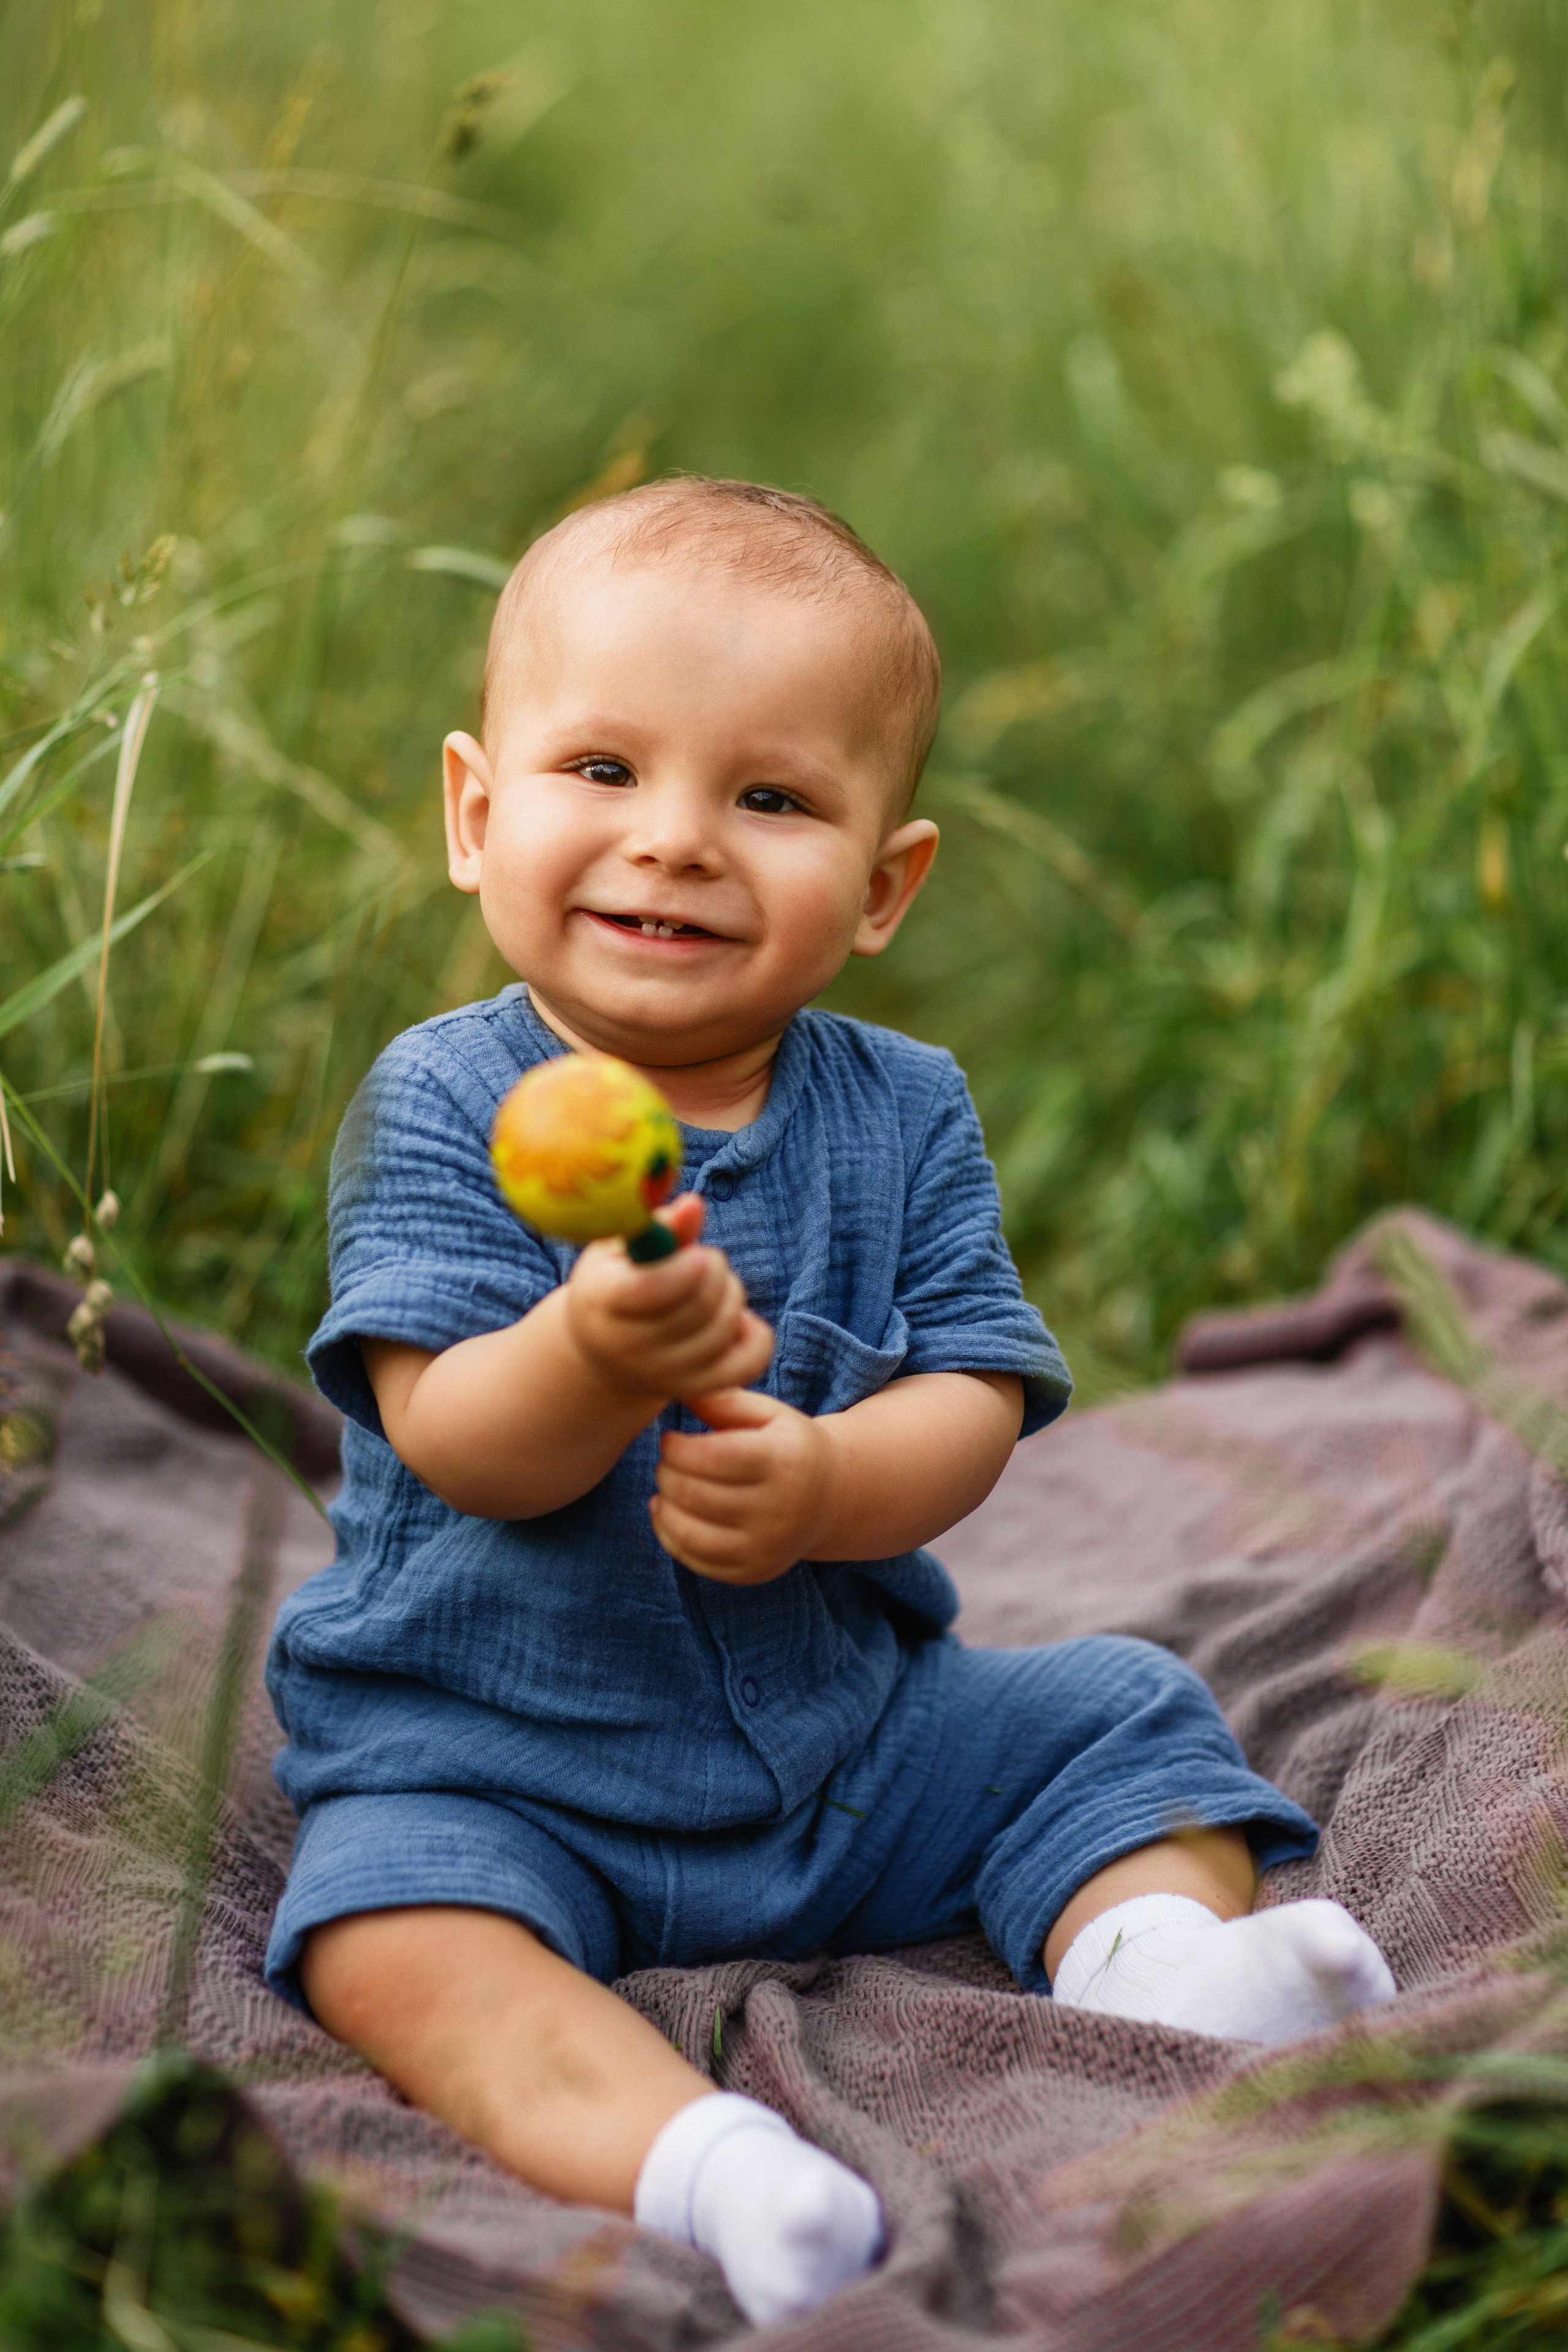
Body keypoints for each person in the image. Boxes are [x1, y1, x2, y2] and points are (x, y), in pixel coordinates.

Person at [264, 478, 1395, 2326]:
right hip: (496, 1756)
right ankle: (712, 2174)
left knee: (1122, 1717)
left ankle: (1158, 1972)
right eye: (605, 770)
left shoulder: (907, 1109)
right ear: (477, 816)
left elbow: (971, 1391)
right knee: (387, 1934)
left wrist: (830, 1484)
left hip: (852, 1744)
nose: (679, 843)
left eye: (770, 797)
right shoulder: (444, 1099)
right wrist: (589, 1359)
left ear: (884, 884)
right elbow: (452, 1436)